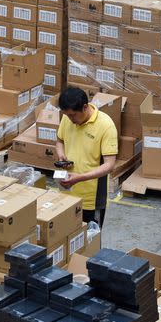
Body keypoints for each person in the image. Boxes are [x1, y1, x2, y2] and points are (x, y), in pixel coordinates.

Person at [56, 86, 118, 227]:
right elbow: (59, 141)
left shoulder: (105, 126)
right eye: (66, 115)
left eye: (72, 115)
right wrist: (61, 155)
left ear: (85, 107)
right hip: (67, 192)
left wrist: (79, 178)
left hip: (91, 199)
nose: (70, 119)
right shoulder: (68, 118)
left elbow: (109, 165)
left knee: (91, 242)